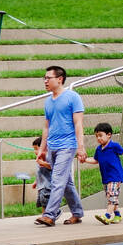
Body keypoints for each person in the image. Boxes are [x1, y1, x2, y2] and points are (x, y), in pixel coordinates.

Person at [36, 66, 87, 226]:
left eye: (48, 78)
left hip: (68, 146)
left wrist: (81, 147)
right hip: (52, 146)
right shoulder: (48, 101)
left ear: (60, 79)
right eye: (44, 78)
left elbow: (78, 124)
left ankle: (50, 215)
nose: (45, 81)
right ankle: (77, 213)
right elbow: (46, 127)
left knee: (57, 180)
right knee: (66, 184)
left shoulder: (73, 97)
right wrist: (42, 149)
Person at [85, 122, 123, 224]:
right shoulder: (99, 149)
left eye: (100, 135)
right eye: (96, 136)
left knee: (112, 195)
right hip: (106, 177)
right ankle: (117, 215)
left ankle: (107, 216)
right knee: (111, 196)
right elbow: (96, 160)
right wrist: (85, 160)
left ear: (109, 135)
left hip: (115, 176)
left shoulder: (114, 146)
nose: (98, 138)